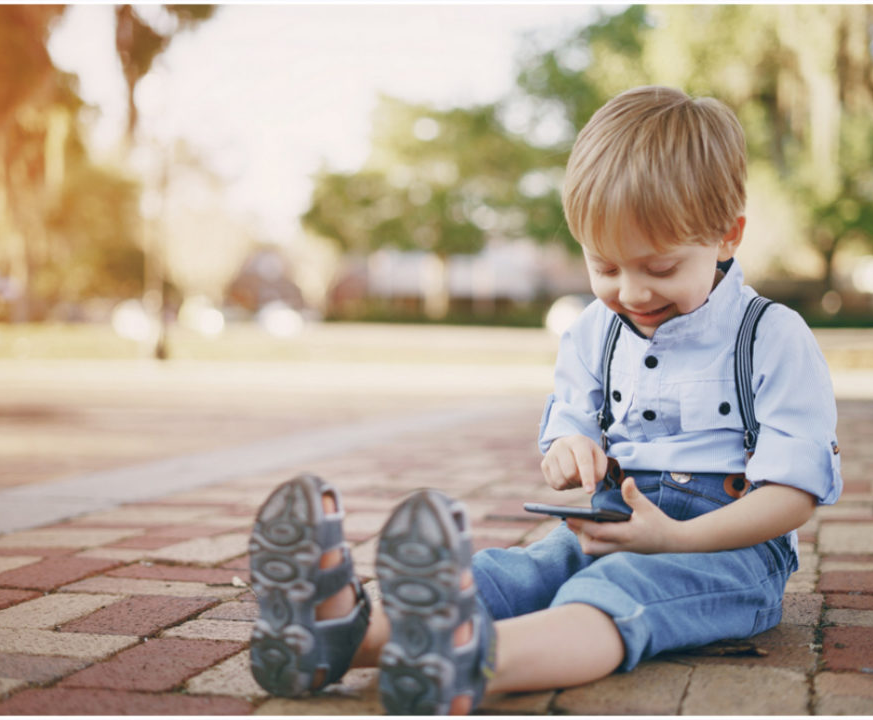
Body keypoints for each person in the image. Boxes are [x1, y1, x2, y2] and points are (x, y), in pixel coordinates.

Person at [247, 85, 842, 715]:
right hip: (612, 525)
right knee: (513, 573)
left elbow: (791, 497)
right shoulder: (594, 330)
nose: (633, 292)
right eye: (605, 266)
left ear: (728, 236)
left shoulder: (772, 336)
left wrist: (672, 540)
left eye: (660, 268)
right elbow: (570, 425)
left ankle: (474, 664)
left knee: (620, 592)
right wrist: (569, 449)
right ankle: (341, 632)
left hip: (729, 552)